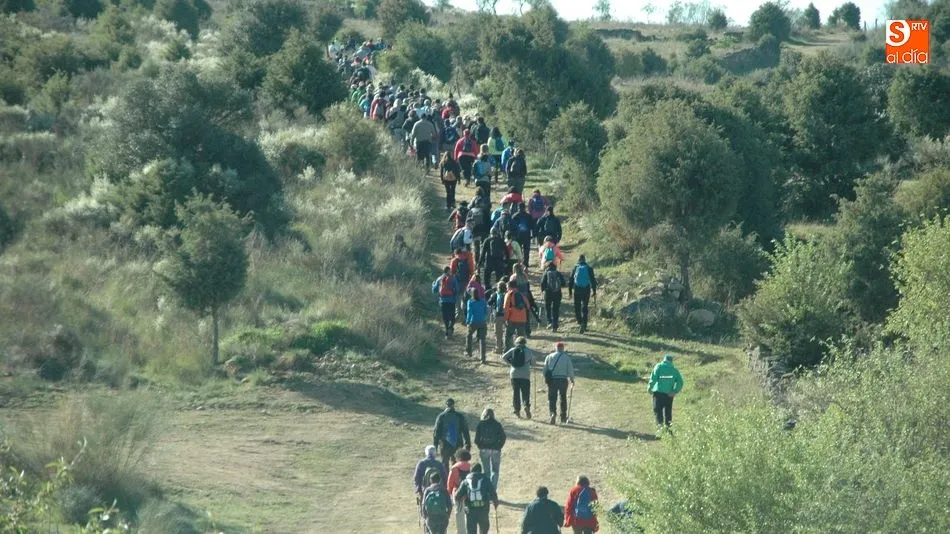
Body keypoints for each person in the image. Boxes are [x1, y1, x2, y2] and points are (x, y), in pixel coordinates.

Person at [454, 463, 499, 534]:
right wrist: (495, 503)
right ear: (480, 470)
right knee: (484, 531)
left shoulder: (465, 481)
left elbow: (457, 496)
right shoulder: (485, 479)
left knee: (471, 531)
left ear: (471, 471)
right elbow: (493, 493)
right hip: (483, 510)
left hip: (470, 511)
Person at [502, 336, 535, 419]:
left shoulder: (513, 350)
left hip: (514, 374)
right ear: (525, 343)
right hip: (525, 375)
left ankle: (517, 410)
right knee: (525, 392)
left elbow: (503, 357)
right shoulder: (528, 351)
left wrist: (511, 363)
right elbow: (533, 363)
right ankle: (526, 405)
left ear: (516, 342)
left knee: (516, 393)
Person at [434, 398, 472, 471]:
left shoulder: (441, 416)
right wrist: (467, 444)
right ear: (453, 405)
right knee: (456, 464)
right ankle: (455, 477)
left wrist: (435, 445)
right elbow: (465, 431)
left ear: (446, 405)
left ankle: (446, 478)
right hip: (457, 443)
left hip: (444, 444)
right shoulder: (459, 416)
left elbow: (436, 432)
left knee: (444, 464)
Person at [648, 354, 684, 431]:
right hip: (669, 395)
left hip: (658, 393)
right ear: (671, 361)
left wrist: (650, 389)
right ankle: (668, 429)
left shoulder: (659, 367)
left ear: (664, 360)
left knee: (658, 411)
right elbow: (680, 382)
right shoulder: (674, 370)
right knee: (668, 412)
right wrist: (675, 391)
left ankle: (660, 429)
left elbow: (653, 379)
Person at [473, 408, 506, 490]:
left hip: (484, 449)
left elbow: (476, 439)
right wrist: (499, 446)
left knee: (486, 471)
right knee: (495, 470)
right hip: (496, 449)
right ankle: (493, 489)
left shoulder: (481, 424)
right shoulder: (497, 424)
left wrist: (480, 446)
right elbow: (503, 437)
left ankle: (487, 489)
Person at [543, 342, 575, 425]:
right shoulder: (566, 357)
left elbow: (545, 370)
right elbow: (570, 369)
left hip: (552, 380)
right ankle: (563, 417)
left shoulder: (549, 356)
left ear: (556, 348)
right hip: (563, 380)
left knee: (552, 398)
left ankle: (552, 413)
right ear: (563, 348)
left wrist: (546, 378)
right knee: (563, 398)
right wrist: (572, 379)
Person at [568, 256, 597, 334]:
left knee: (577, 306)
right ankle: (584, 323)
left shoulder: (575, 268)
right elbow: (593, 280)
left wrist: (570, 292)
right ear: (585, 260)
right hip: (586, 290)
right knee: (585, 307)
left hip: (577, 290)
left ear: (579, 260)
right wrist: (594, 291)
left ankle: (580, 322)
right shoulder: (589, 268)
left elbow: (570, 280)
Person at [447, 449, 473, 534]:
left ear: (458, 456)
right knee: (469, 513)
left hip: (458, 493)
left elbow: (450, 483)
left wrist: (450, 494)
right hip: (470, 493)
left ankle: (461, 532)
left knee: (459, 514)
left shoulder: (454, 468)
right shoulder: (471, 467)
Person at [433, 266, 460, 339]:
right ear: (449, 271)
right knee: (452, 316)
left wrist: (433, 284)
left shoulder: (439, 279)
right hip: (451, 301)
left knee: (445, 317)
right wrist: (455, 297)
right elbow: (457, 290)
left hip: (443, 301)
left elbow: (434, 290)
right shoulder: (453, 278)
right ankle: (451, 327)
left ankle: (447, 332)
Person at [503, 280, 529, 351]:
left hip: (512, 319)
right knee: (520, 337)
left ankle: (506, 351)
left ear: (509, 286)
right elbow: (528, 306)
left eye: (507, 287)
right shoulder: (521, 294)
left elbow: (506, 308)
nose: (507, 289)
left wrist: (505, 319)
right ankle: (521, 351)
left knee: (508, 336)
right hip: (522, 319)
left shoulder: (509, 294)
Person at [540, 262, 566, 332]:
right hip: (557, 293)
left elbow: (542, 283)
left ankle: (549, 322)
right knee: (556, 309)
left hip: (548, 293)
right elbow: (563, 283)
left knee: (548, 308)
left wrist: (542, 290)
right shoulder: (557, 273)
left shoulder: (546, 273)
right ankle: (555, 326)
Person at [466, 289, 489, 363]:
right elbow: (486, 311)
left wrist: (468, 322)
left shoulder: (470, 301)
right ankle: (483, 358)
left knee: (469, 335)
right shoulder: (483, 301)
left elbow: (469, 312)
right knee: (482, 339)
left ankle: (469, 352)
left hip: (473, 322)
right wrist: (484, 318)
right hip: (482, 322)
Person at [511, 203, 534, 268]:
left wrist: (513, 235)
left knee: (518, 250)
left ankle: (519, 264)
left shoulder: (514, 216)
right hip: (527, 235)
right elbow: (532, 226)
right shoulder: (529, 216)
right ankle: (526, 263)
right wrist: (533, 235)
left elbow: (512, 227)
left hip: (518, 236)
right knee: (526, 250)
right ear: (524, 208)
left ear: (518, 207)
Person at [488, 281, 507, 355]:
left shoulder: (495, 294)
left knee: (498, 333)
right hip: (507, 316)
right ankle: (507, 347)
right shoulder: (507, 294)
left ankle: (499, 348)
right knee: (507, 333)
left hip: (498, 315)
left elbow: (489, 302)